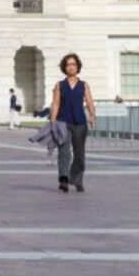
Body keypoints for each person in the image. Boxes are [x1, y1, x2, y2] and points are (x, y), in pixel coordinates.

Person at [50, 53, 95, 192]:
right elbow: (56, 103)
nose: (71, 67)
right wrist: (53, 121)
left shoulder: (83, 85)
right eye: (68, 64)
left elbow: (89, 101)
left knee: (79, 155)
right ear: (65, 67)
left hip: (80, 123)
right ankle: (63, 179)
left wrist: (92, 115)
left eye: (73, 64)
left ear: (78, 66)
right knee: (64, 153)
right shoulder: (60, 85)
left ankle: (76, 179)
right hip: (63, 122)